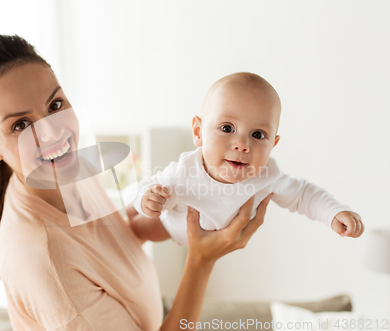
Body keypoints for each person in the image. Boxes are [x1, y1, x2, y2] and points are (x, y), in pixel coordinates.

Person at [0, 34, 271, 331]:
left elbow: (120, 239)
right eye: (21, 125)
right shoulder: (46, 259)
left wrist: (194, 208)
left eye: (55, 106)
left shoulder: (65, 169)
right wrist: (202, 260)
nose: (53, 133)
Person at [130, 73, 364, 247]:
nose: (242, 144)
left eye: (258, 135)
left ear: (273, 144)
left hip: (208, 241)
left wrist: (334, 212)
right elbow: (149, 186)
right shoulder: (185, 170)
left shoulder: (268, 175)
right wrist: (146, 198)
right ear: (199, 132)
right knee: (141, 226)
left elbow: (303, 195)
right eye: (227, 127)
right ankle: (126, 214)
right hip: (172, 224)